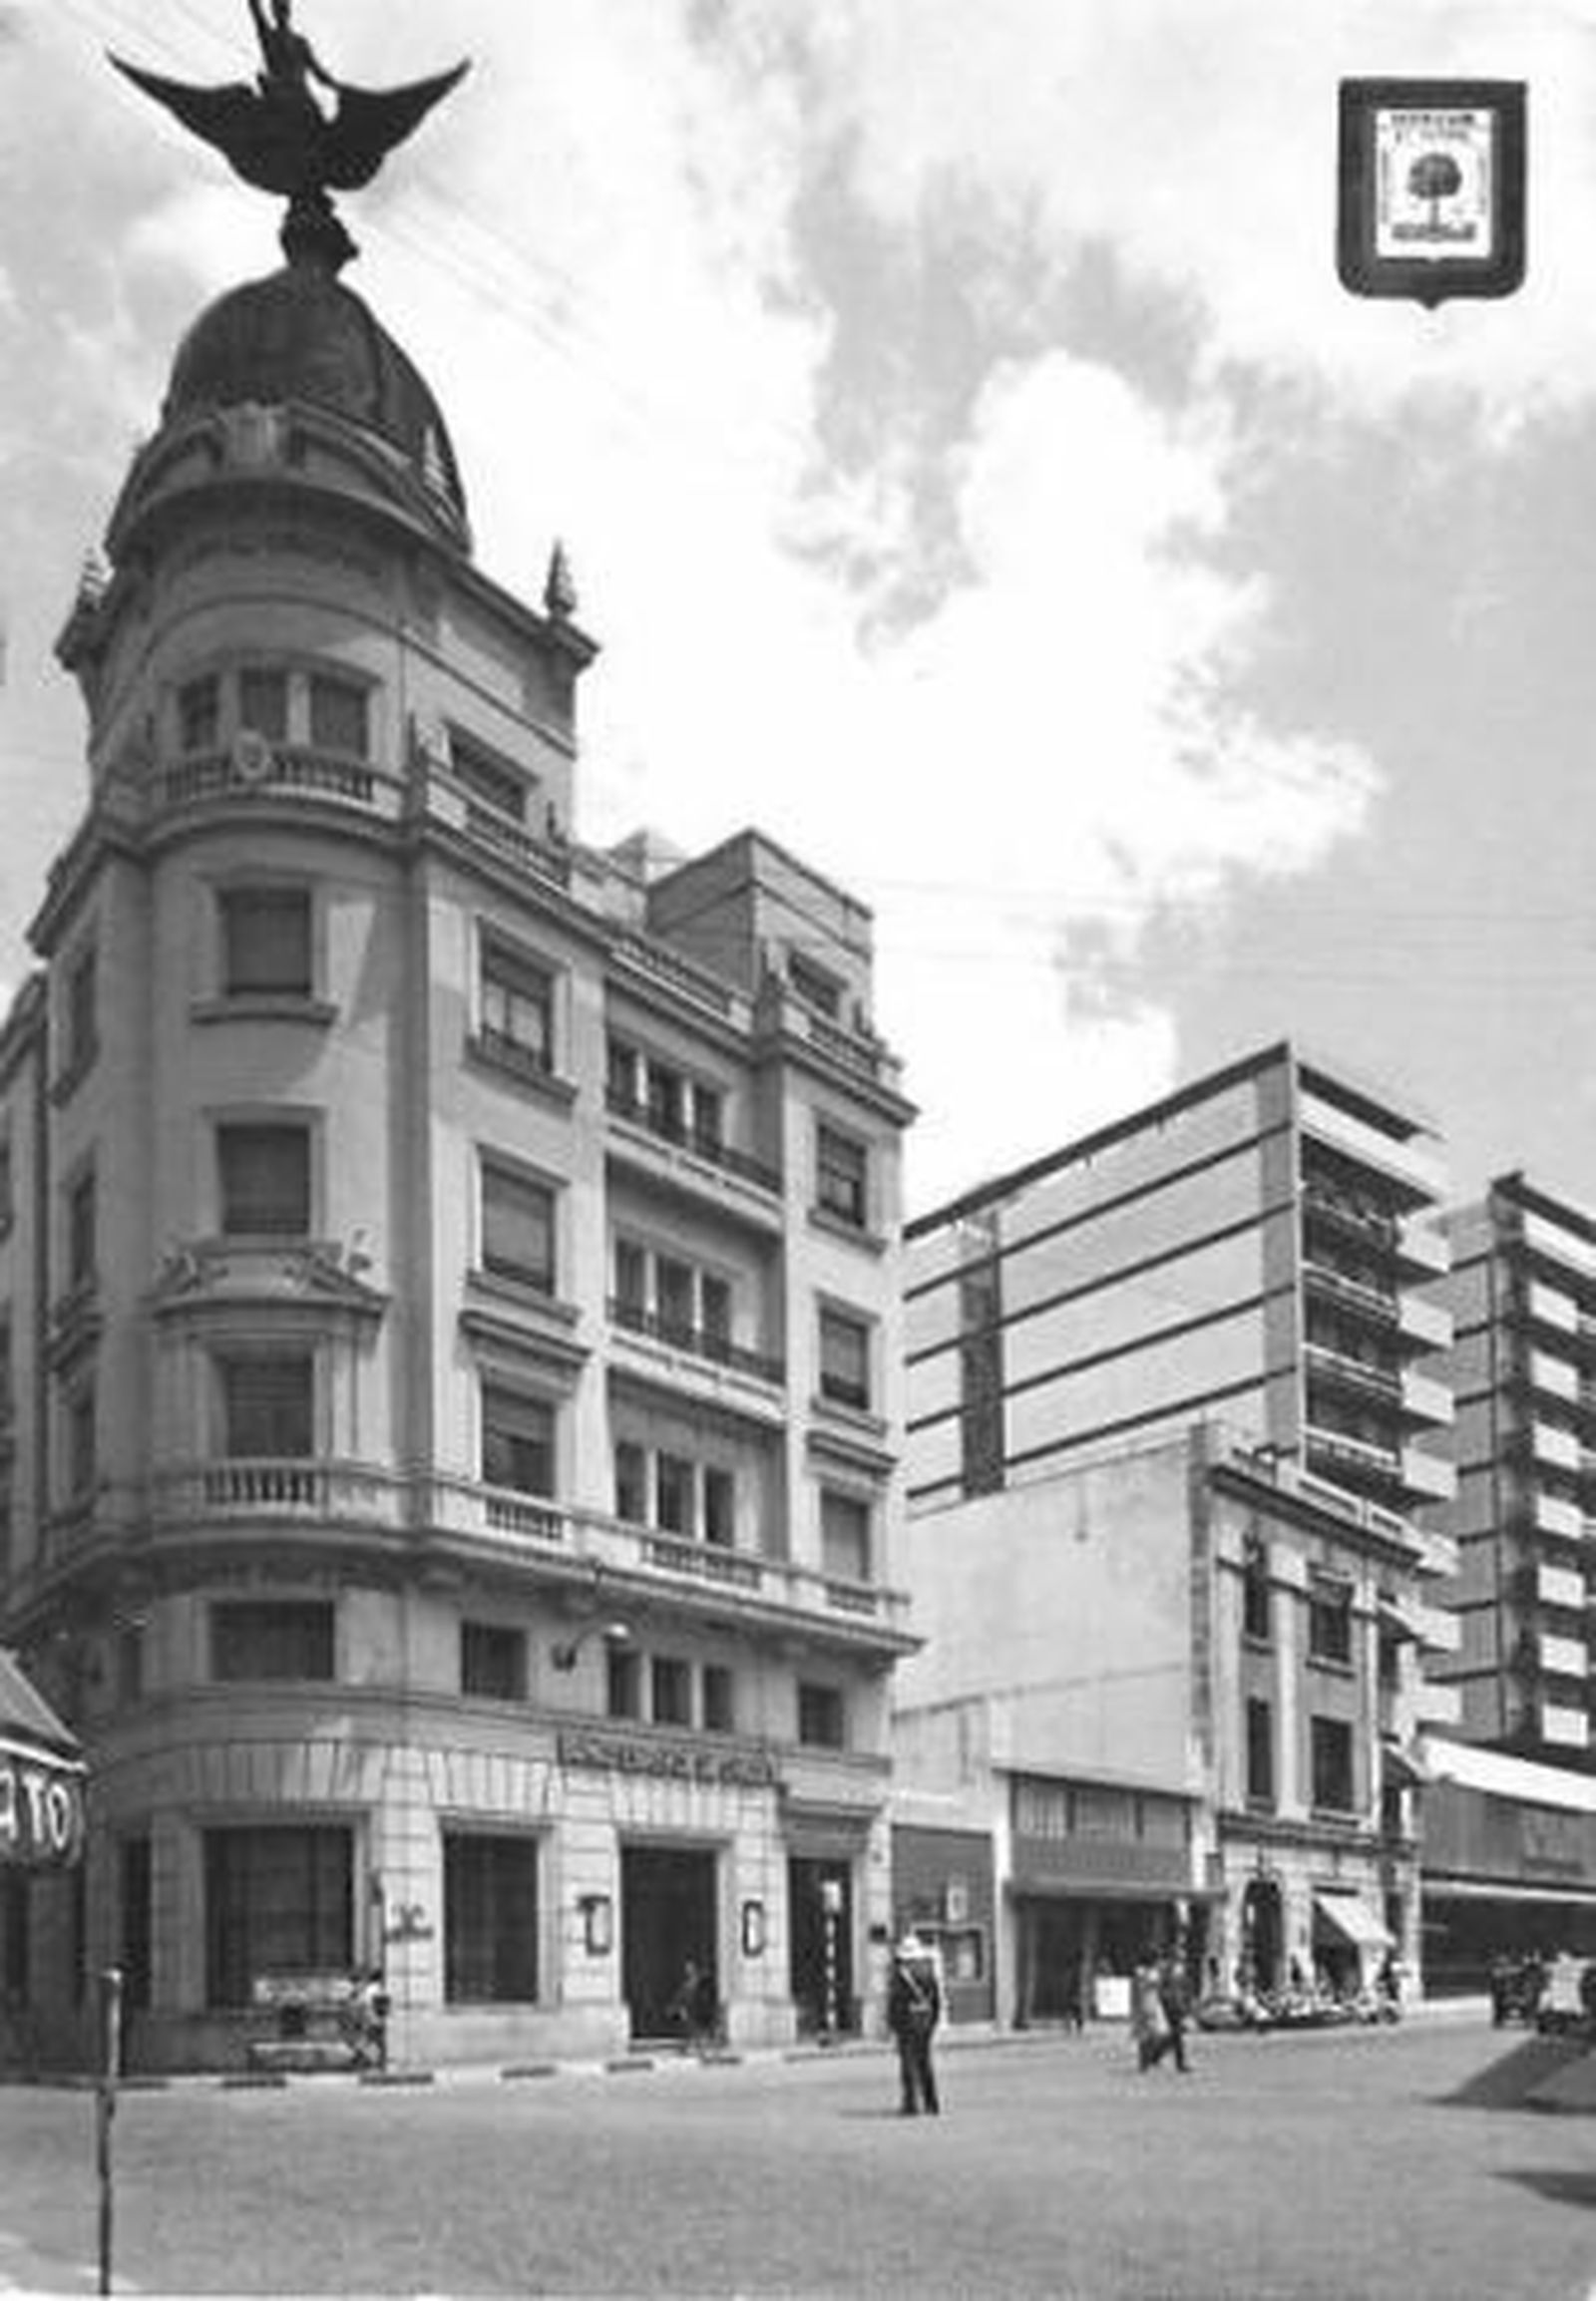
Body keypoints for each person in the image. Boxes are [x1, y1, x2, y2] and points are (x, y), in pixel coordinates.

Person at [887, 1930, 942, 2115]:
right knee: (925, 2063)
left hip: (907, 2025)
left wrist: (893, 2025)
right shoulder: (928, 1972)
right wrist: (933, 2022)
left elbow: (896, 2002)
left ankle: (911, 2104)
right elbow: (936, 2001)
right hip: (925, 2023)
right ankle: (932, 2103)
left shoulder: (901, 1975)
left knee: (908, 2064)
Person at [1130, 1954, 1168, 2073]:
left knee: (1156, 2034)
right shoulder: (1146, 1974)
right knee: (1147, 2035)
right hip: (1147, 2005)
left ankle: (1148, 2060)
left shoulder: (1148, 1974)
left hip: (1150, 2005)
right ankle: (1146, 2061)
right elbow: (1146, 1987)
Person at [1157, 1948, 1192, 2074]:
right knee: (1177, 2035)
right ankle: (1180, 2064)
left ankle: (1156, 2054)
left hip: (1179, 2006)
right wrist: (1166, 2001)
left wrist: (1187, 2005)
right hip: (1171, 2006)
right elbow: (1161, 1988)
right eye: (1180, 1957)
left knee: (1175, 2035)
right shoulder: (1167, 1970)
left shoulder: (1181, 1971)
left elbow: (1185, 1988)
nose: (1182, 1959)